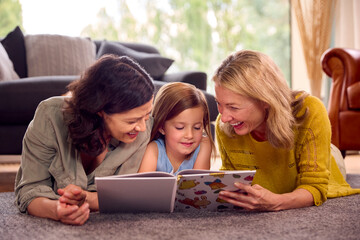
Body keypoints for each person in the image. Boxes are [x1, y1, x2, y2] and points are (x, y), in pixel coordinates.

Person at [15, 55, 155, 225]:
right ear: (100, 110)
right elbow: (30, 190)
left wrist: (86, 199)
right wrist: (57, 210)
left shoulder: (140, 132)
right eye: (132, 121)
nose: (141, 127)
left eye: (146, 116)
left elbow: (126, 198)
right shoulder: (49, 116)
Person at [213, 50, 360, 211]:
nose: (225, 117)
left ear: (265, 100)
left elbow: (315, 186)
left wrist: (277, 202)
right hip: (277, 172)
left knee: (331, 159)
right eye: (219, 103)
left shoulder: (311, 111)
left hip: (328, 158)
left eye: (233, 107)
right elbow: (232, 179)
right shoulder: (226, 124)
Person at [138, 82, 215, 175]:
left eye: (197, 128)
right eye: (180, 128)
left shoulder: (203, 145)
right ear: (161, 127)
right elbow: (143, 187)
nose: (190, 135)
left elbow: (199, 186)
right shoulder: (154, 149)